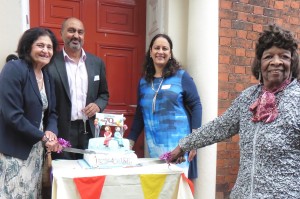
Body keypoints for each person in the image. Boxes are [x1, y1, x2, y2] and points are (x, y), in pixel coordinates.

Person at [170, 24, 300, 198]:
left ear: (292, 62)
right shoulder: (248, 97)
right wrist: (184, 144)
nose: (276, 62)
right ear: (260, 63)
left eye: (284, 56)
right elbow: (219, 126)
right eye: (269, 56)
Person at [127, 33, 202, 179]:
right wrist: (130, 141)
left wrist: (195, 140)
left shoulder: (181, 77)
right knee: (161, 189)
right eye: (156, 48)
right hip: (155, 148)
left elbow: (196, 105)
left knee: (179, 189)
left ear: (170, 53)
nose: (160, 52)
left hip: (180, 147)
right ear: (150, 52)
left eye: (165, 48)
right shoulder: (143, 83)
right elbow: (139, 115)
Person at [0, 27, 62, 198]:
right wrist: (42, 136)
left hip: (35, 153)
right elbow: (12, 115)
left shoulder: (47, 76)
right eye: (40, 45)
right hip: (13, 152)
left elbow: (53, 113)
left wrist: (51, 132)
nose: (45, 51)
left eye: (49, 47)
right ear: (28, 47)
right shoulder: (14, 69)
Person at [47, 17, 109, 160]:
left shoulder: (96, 63)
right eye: (71, 31)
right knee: (63, 173)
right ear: (61, 33)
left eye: (80, 32)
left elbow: (104, 94)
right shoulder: (50, 63)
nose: (76, 35)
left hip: (90, 131)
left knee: (90, 175)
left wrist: (98, 105)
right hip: (62, 130)